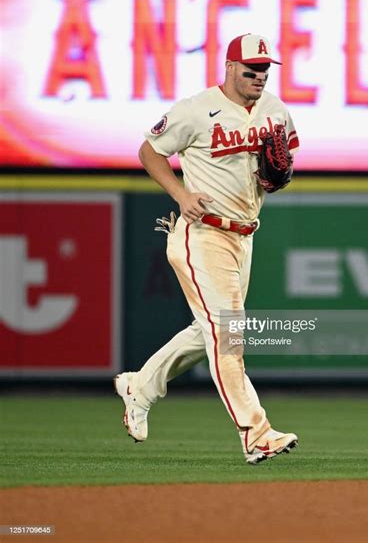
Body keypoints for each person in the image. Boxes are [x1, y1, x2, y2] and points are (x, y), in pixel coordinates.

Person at [114, 33, 300, 464]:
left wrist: (278, 174)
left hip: (244, 235)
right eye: (251, 70)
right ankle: (257, 434)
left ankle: (139, 387)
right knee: (230, 337)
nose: (259, 76)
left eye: (265, 70)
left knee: (208, 333)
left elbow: (284, 162)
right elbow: (149, 151)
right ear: (230, 67)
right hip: (202, 234)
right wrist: (180, 194)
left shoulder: (275, 109)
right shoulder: (196, 110)